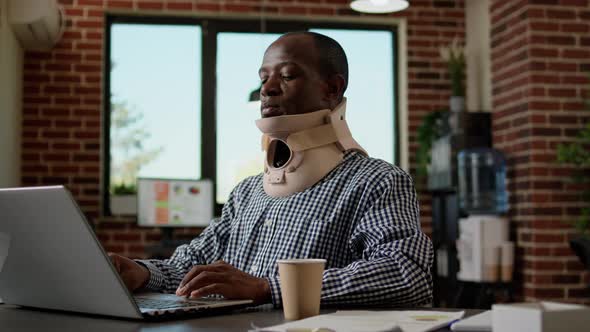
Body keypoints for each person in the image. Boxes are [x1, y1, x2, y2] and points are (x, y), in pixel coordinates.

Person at [110, 31, 433, 307]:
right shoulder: (247, 193)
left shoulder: (376, 181)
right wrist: (142, 273)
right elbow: (194, 268)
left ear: (332, 89)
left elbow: (407, 273)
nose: (268, 88)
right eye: (264, 78)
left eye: (287, 75)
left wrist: (269, 288)